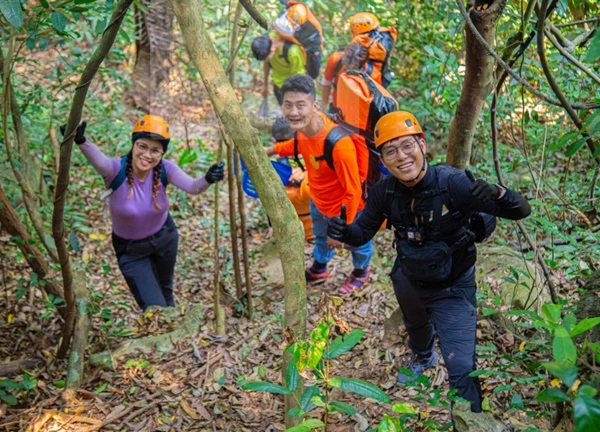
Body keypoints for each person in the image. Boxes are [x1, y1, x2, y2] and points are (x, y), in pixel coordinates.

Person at [327, 111, 531, 412]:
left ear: (422, 145)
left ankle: (469, 420)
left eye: (407, 146)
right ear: (382, 159)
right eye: (390, 151)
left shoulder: (453, 184)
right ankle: (423, 357)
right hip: (409, 277)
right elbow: (362, 232)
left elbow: (521, 210)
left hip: (453, 287)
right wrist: (346, 232)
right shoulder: (385, 192)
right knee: (416, 324)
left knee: (461, 368)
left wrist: (497, 193)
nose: (401, 157)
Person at [67, 115, 225, 310]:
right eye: (142, 146)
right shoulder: (115, 170)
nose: (147, 155)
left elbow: (193, 187)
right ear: (133, 145)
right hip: (131, 251)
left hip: (165, 238)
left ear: (161, 153)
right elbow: (99, 160)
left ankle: (174, 334)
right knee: (155, 307)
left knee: (166, 290)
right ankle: (161, 332)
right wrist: (80, 140)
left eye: (155, 150)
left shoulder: (166, 169)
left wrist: (208, 178)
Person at [265, 74, 373, 294]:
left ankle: (362, 271)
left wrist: (340, 230)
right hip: (319, 200)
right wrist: (271, 150)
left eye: (300, 105)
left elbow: (353, 191)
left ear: (314, 105)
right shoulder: (305, 129)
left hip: (345, 210)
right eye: (288, 105)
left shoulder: (339, 144)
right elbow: (298, 145)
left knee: (357, 243)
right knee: (320, 236)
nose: (293, 112)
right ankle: (320, 267)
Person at [321, 12, 383, 112]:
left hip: (339, 110)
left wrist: (324, 106)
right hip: (358, 116)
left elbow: (326, 83)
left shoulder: (336, 59)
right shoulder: (374, 72)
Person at [252, 33, 306, 105]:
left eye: (267, 58)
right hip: (278, 85)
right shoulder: (267, 42)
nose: (266, 60)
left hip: (292, 88)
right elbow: (266, 64)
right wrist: (265, 85)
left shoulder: (293, 52)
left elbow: (299, 76)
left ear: (272, 49)